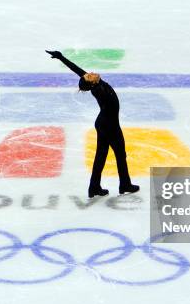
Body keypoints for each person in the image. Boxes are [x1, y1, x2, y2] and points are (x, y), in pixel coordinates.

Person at [46, 50, 140, 198]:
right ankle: (124, 184)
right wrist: (90, 82)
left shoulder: (94, 83)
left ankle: (95, 187)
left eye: (88, 74)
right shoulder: (99, 89)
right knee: (120, 154)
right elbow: (88, 83)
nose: (90, 73)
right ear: (92, 83)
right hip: (110, 126)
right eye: (90, 76)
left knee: (101, 156)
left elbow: (76, 70)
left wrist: (61, 57)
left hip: (104, 123)